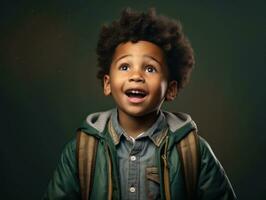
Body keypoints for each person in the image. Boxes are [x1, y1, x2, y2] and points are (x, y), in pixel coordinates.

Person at [43, 8, 236, 200]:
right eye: (125, 67)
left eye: (150, 68)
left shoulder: (192, 152)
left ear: (171, 89)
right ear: (108, 83)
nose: (136, 76)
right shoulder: (82, 151)